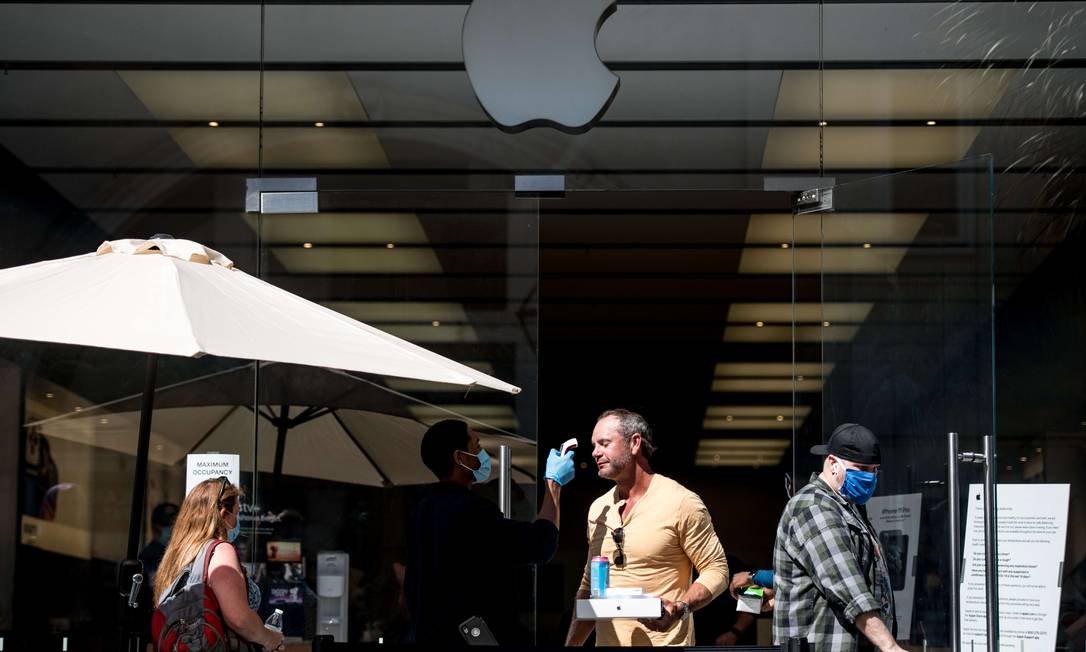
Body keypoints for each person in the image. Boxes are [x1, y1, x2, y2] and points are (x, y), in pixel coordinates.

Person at [565, 409, 730, 646]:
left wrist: (681, 607)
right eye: (594, 445)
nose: (595, 452)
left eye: (604, 443)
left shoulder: (681, 502)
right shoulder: (598, 509)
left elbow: (718, 570)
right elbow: (590, 587)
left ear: (634, 443)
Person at [405, 419, 575, 646]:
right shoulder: (472, 512)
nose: (482, 453)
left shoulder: (421, 512)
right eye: (476, 445)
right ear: (460, 458)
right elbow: (541, 544)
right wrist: (553, 484)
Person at [773, 423, 901, 652]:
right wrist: (890, 647)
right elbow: (847, 585)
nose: (869, 477)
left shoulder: (848, 507)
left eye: (874, 470)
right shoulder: (813, 507)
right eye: (861, 468)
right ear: (833, 464)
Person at [153, 477, 284, 652]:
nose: (237, 522)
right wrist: (270, 639)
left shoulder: (177, 555)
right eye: (236, 514)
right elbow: (238, 617)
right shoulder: (221, 550)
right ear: (223, 514)